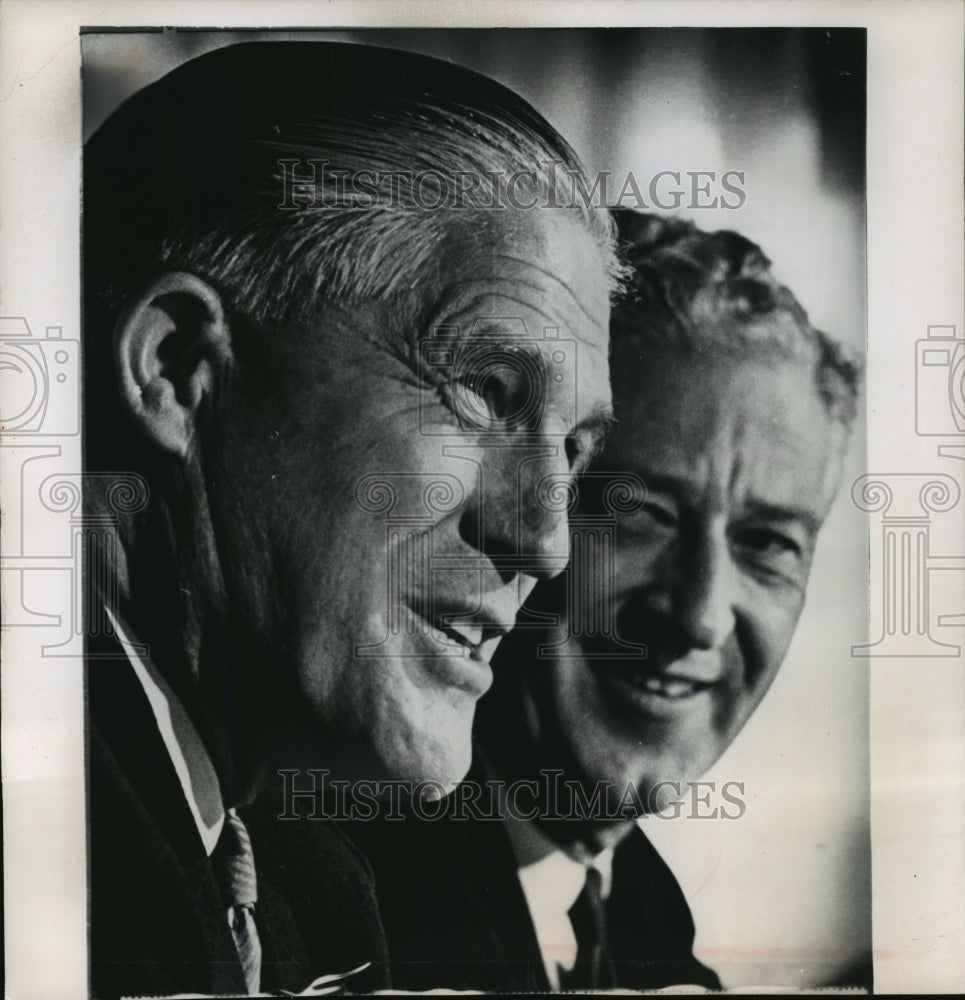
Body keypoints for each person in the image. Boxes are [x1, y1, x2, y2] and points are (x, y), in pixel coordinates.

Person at [83, 40, 618, 998]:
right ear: (174, 371)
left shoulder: (315, 889)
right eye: (483, 393)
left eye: (574, 451)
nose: (546, 541)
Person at [361, 209, 861, 991]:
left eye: (766, 544)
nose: (697, 614)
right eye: (639, 515)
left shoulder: (648, 928)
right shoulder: (333, 912)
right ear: (517, 506)